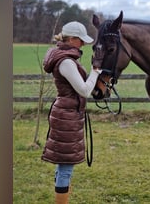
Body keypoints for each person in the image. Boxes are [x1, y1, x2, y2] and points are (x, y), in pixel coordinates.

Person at [41, 21, 101, 204]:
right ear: (72, 39)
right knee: (66, 167)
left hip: (67, 113)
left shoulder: (65, 58)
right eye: (81, 40)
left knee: (63, 165)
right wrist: (95, 72)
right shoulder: (66, 62)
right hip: (67, 115)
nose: (83, 44)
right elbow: (83, 90)